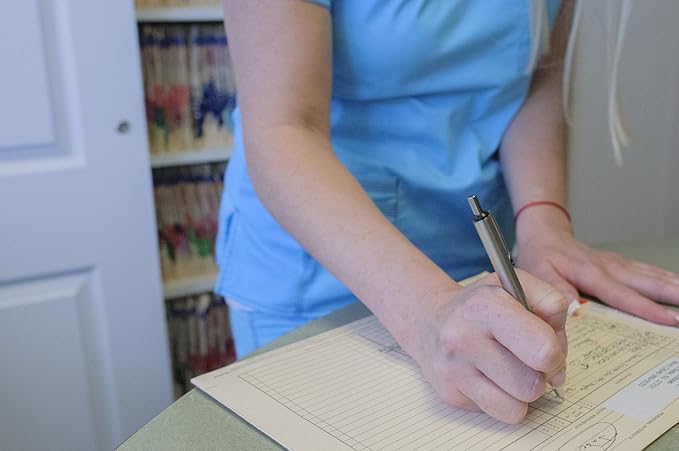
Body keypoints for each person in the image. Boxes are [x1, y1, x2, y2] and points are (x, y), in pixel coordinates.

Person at [216, 0, 679, 423]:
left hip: (478, 266)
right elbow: (283, 128)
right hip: (321, 271)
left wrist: (543, 222)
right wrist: (429, 309)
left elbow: (536, 76)